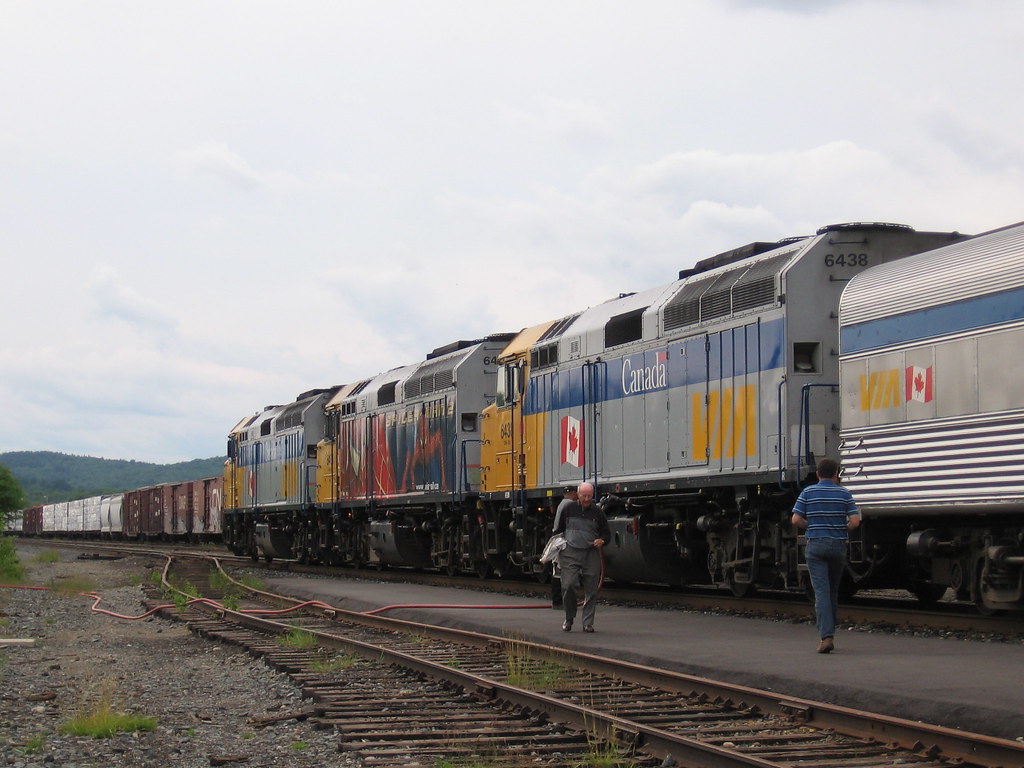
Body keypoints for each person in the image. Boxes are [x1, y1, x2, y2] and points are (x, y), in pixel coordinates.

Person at [791, 458, 861, 653]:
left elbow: (795, 519)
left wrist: (809, 526)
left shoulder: (808, 492)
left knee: (821, 592)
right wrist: (842, 529)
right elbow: (855, 522)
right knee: (832, 592)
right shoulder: (844, 493)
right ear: (836, 474)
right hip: (837, 546)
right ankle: (830, 634)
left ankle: (826, 637)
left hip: (816, 547)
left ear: (817, 475)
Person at [553, 481, 610, 632]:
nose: (586, 499)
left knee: (591, 588)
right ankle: (569, 617)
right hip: (570, 552)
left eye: (589, 496)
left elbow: (606, 533)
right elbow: (558, 530)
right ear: (577, 495)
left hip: (590, 553)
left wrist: (602, 540)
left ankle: (588, 623)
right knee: (569, 584)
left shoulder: (598, 512)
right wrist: (558, 546)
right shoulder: (568, 509)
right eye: (584, 496)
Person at [549, 486, 578, 608]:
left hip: (558, 539)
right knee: (560, 572)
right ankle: (558, 602)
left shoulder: (562, 504)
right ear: (573, 493)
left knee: (558, 571)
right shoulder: (569, 505)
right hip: (563, 541)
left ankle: (558, 601)